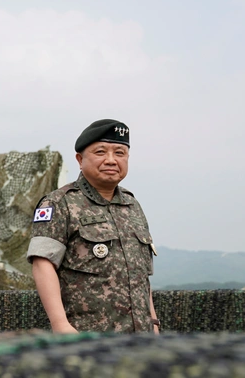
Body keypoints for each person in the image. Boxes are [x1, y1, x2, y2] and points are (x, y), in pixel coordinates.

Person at [27, 119, 159, 333]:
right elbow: (43, 264)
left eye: (119, 153)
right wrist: (61, 326)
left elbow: (139, 276)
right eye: (100, 152)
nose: (111, 160)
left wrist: (153, 324)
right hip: (86, 338)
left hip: (140, 340)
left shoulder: (132, 205)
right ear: (80, 159)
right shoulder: (59, 203)